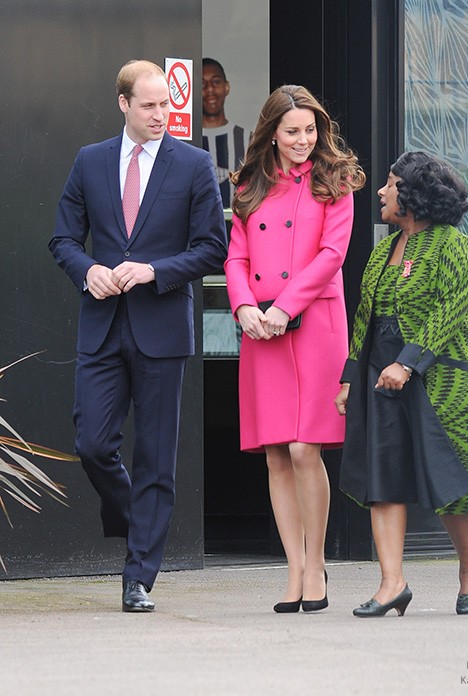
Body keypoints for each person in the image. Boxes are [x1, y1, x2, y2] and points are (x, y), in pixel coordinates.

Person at [50, 60, 227, 613]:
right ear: (124, 104)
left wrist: (156, 270)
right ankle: (138, 527)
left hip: (162, 328)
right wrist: (88, 270)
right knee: (93, 444)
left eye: (166, 105)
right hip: (101, 326)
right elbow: (62, 238)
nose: (161, 115)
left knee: (156, 457)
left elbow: (212, 248)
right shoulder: (91, 161)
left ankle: (138, 576)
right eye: (149, 105)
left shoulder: (194, 165)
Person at [335, 151, 468, 618]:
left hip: (440, 382)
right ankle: (392, 583)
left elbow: (448, 316)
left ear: (415, 195)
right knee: (382, 479)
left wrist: (407, 364)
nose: (380, 191)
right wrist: (348, 378)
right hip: (380, 377)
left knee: (451, 483)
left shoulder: (454, 247)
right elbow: (365, 317)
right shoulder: (384, 250)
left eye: (390, 183)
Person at [224, 85, 366, 613]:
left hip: (314, 324)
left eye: (310, 130)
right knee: (276, 452)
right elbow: (234, 257)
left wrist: (285, 305)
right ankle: (294, 569)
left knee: (307, 448)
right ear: (272, 133)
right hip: (261, 326)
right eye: (292, 132)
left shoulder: (337, 181)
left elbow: (333, 254)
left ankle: (317, 563)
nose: (303, 140)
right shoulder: (249, 184)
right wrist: (243, 308)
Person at [202, 58, 251, 209]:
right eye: (202, 84)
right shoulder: (186, 141)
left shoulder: (249, 140)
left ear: (226, 87)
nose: (210, 89)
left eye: (216, 82)